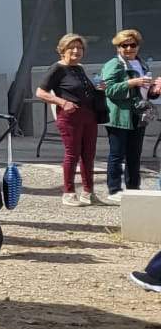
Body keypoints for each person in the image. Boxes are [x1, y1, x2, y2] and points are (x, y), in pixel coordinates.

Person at [36, 34, 106, 207]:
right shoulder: (57, 68)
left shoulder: (79, 68)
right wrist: (62, 102)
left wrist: (99, 89)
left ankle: (88, 193)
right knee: (72, 154)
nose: (76, 51)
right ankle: (68, 193)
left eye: (80, 48)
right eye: (72, 48)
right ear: (63, 50)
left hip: (88, 116)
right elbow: (40, 92)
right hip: (70, 117)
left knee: (88, 155)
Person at [103, 29, 151, 200]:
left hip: (138, 115)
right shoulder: (114, 64)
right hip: (119, 116)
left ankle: (133, 187)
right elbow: (108, 89)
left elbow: (144, 91)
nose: (129, 48)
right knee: (117, 154)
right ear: (118, 47)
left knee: (134, 154)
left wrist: (155, 90)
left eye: (133, 45)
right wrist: (130, 83)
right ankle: (114, 189)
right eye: (125, 45)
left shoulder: (143, 64)